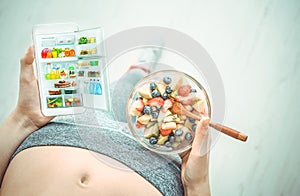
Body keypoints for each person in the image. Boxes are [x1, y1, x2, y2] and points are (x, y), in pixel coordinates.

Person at [0, 46, 211, 196]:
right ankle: (139, 70)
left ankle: (138, 69)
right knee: (131, 99)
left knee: (119, 92)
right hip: (153, 166)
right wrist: (197, 185)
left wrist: (23, 119)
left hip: (61, 131)